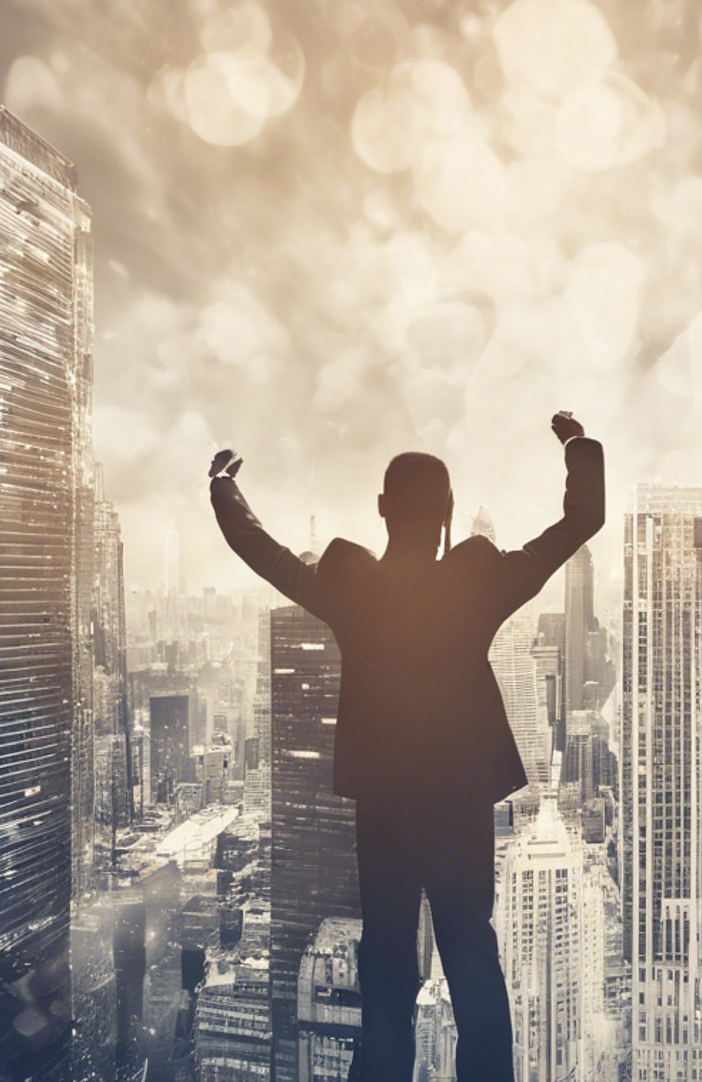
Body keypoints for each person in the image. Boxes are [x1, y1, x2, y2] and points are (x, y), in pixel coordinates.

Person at [208, 412, 605, 1082]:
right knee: (471, 953)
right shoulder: (475, 578)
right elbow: (579, 521)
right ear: (448, 510)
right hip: (457, 801)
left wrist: (223, 486)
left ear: (383, 510)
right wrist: (575, 444)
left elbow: (264, 552)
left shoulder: (349, 582)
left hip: (386, 804)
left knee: (388, 961)